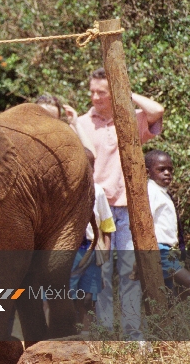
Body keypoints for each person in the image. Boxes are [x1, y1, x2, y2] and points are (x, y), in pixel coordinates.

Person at [74, 68, 164, 340]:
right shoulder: (81, 122)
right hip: (95, 211)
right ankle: (106, 334)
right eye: (92, 91)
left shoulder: (129, 119)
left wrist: (127, 94)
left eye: (101, 92)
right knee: (101, 274)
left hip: (126, 208)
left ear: (113, 93)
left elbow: (156, 111)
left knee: (128, 272)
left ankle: (133, 334)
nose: (95, 97)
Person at [69, 149, 115, 327]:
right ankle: (68, 334)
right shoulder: (65, 191)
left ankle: (88, 336)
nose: (88, 170)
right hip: (71, 250)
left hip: (92, 248)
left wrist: (106, 251)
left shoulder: (98, 192)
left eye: (91, 166)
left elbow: (107, 225)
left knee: (89, 296)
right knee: (69, 295)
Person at [145, 150, 190, 297]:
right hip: (158, 250)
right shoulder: (151, 191)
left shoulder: (161, 192)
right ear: (147, 172)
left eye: (170, 169)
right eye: (161, 169)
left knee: (166, 293)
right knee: (187, 280)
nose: (167, 173)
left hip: (167, 249)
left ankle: (164, 319)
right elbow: (146, 220)